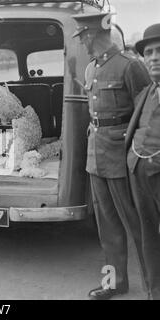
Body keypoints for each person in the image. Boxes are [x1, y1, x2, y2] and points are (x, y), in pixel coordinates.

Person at [72, 12, 151, 300]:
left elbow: (148, 116)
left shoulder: (131, 67)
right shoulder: (90, 69)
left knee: (139, 224)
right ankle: (115, 283)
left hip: (123, 158)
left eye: (81, 37)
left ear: (91, 35)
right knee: (108, 228)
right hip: (98, 157)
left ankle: (154, 285)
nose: (80, 43)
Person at [125, 23, 160, 300]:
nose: (154, 58)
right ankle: (154, 290)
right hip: (138, 170)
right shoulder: (145, 92)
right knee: (149, 234)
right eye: (149, 52)